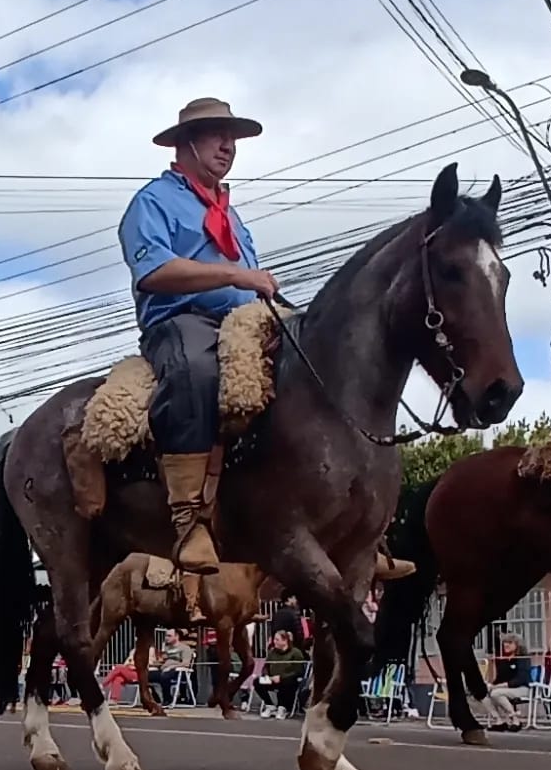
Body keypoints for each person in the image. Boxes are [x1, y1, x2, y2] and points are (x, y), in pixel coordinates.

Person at [118, 98, 412, 582]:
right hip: (182, 321)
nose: (228, 146)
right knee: (198, 372)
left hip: (246, 320)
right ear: (186, 142)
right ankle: (189, 520)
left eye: (233, 138)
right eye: (217, 135)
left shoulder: (230, 215)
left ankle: (359, 530)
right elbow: (153, 271)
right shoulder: (152, 202)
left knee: (322, 371)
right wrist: (235, 274)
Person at [254, 629, 307, 718]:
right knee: (257, 681)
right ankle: (270, 705)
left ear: (285, 641)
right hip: (272, 679)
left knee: (286, 682)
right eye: (274, 639)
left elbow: (298, 671)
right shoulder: (272, 652)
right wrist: (268, 676)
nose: (274, 642)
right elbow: (266, 666)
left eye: (277, 639)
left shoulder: (295, 653)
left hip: (288, 680)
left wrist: (281, 677)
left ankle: (282, 707)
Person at [487, 633, 534, 732]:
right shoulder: (502, 659)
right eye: (504, 642)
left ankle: (515, 719)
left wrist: (501, 686)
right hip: (505, 688)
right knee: (483, 692)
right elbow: (499, 678)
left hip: (522, 688)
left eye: (509, 642)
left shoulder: (523, 658)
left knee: (496, 693)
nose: (506, 645)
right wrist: (491, 685)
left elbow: (521, 679)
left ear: (517, 645)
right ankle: (499, 721)